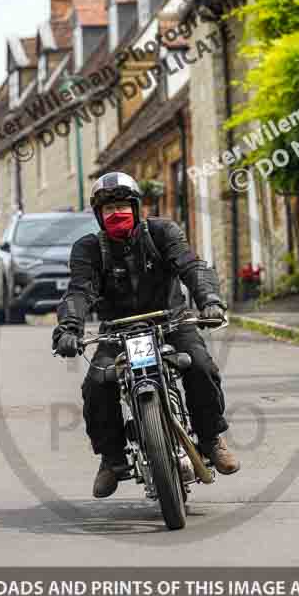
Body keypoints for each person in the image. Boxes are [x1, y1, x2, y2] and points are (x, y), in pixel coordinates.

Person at [52, 171, 240, 498]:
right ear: (98, 216)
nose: (116, 214)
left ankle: (211, 438)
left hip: (171, 320)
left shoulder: (163, 232)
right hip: (117, 332)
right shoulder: (87, 250)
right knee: (96, 384)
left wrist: (209, 301)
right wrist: (69, 328)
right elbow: (79, 292)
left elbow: (192, 267)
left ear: (137, 207)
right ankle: (111, 459)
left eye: (123, 205)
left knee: (200, 366)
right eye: (108, 210)